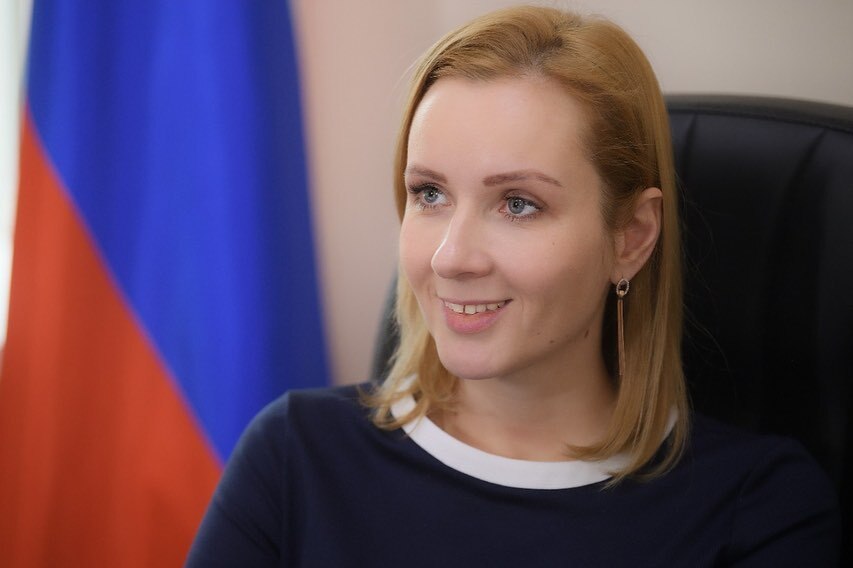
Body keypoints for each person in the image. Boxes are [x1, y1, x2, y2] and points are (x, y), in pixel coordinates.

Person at [187, 6, 840, 566]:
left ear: (631, 237)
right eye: (430, 193)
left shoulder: (757, 509)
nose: (450, 257)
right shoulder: (292, 457)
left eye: (518, 204)